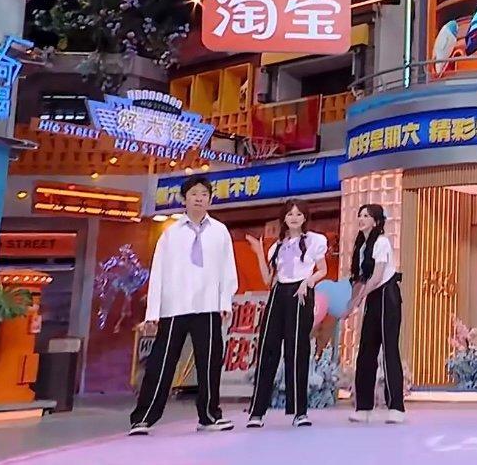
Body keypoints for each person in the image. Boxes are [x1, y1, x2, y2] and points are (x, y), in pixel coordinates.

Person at [129, 176, 238, 436]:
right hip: (174, 306)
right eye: (194, 194)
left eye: (204, 194)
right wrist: (153, 312)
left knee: (209, 362)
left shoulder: (220, 231)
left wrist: (225, 301)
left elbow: (228, 269)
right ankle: (143, 417)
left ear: (210, 199)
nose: (199, 198)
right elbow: (158, 272)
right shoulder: (171, 233)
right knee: (162, 362)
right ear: (184, 199)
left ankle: (209, 416)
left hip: (208, 306)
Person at [245, 200, 329, 428]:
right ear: (284, 218)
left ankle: (299, 412)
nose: (294, 218)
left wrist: (308, 282)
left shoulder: (314, 240)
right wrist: (258, 252)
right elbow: (268, 279)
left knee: (297, 350)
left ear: (305, 218)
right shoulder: (276, 246)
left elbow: (322, 270)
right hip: (278, 294)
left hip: (301, 293)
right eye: (290, 214)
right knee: (267, 349)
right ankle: (257, 412)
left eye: (298, 214)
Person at [346, 204, 405, 424]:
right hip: (371, 297)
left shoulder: (382, 242)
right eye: (360, 215)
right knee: (366, 351)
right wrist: (350, 305)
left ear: (377, 221)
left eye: (366, 216)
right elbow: (360, 279)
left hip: (387, 296)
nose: (361, 219)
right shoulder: (361, 246)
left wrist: (359, 299)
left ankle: (396, 407)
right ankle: (363, 407)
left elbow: (378, 276)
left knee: (389, 350)